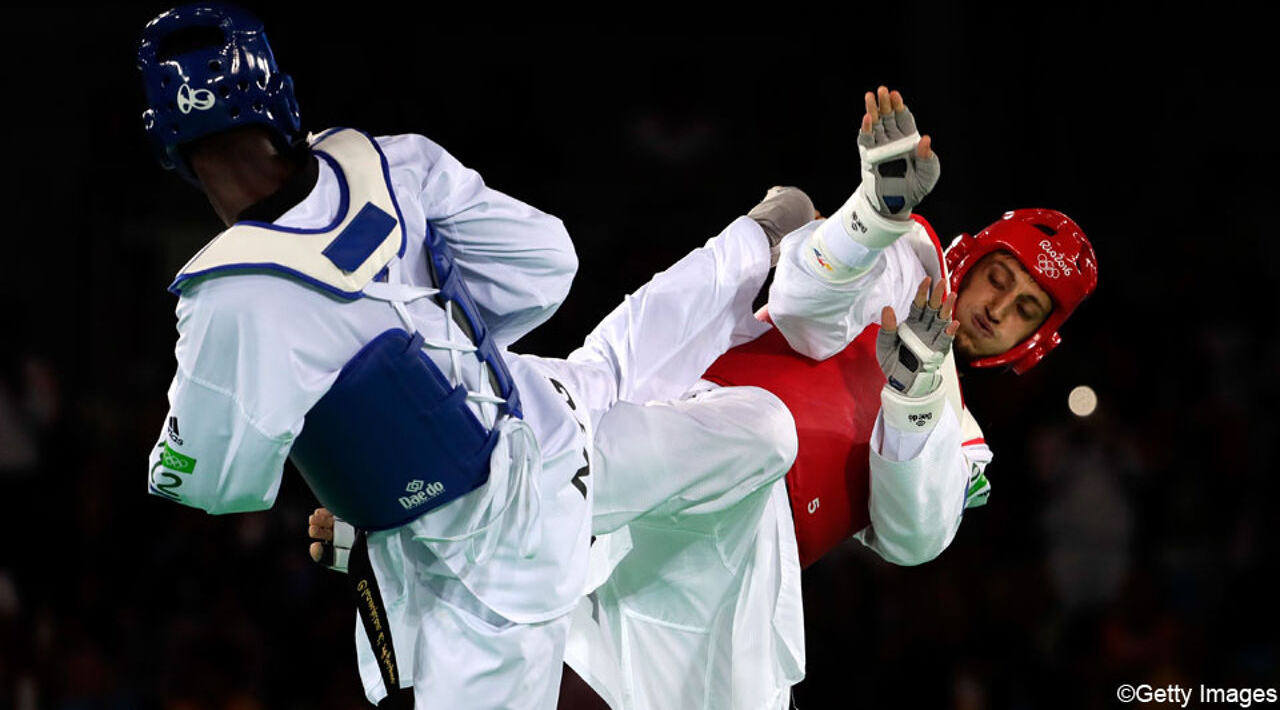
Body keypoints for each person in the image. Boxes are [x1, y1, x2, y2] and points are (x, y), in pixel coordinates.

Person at [309, 86, 1096, 709]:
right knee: (765, 431)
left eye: (1025, 308)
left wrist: (916, 387)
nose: (998, 308)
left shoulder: (961, 434)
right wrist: (874, 216)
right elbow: (800, 306)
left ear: (1035, 341)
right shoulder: (909, 257)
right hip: (684, 450)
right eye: (1002, 278)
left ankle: (425, 533)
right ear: (975, 255)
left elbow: (912, 536)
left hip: (737, 567)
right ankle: (441, 504)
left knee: (579, 680)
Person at [140, 3, 804, 709]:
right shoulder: (390, 161)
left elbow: (213, 482)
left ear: (170, 147)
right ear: (280, 93)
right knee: (749, 424)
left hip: (487, 566)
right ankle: (758, 237)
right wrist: (438, 332)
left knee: (609, 388)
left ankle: (382, 540)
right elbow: (546, 269)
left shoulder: (231, 295)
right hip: (556, 429)